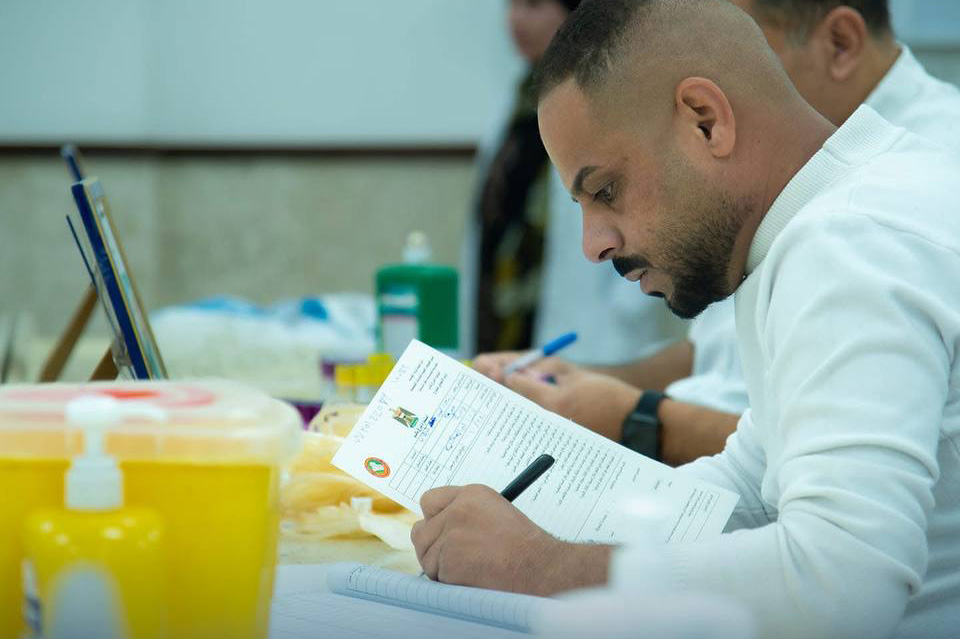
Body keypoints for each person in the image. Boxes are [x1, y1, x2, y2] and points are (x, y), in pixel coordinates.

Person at [411, 1, 960, 637]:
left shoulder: (850, 243)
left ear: (705, 121)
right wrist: (538, 520)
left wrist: (539, 564)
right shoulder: (825, 214)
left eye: (605, 190)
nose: (594, 245)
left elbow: (842, 585)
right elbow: (750, 486)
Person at [474, 0, 960, 467]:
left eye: (744, 46)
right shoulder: (780, 214)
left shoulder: (857, 229)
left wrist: (631, 417)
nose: (738, 75)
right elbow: (736, 405)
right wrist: (579, 384)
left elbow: (833, 499)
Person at [463, 0, 681, 363]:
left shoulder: (616, 94)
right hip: (511, 314)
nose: (515, 19)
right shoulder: (518, 100)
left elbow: (654, 212)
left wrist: (626, 311)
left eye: (533, 5)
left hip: (595, 336)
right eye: (511, 5)